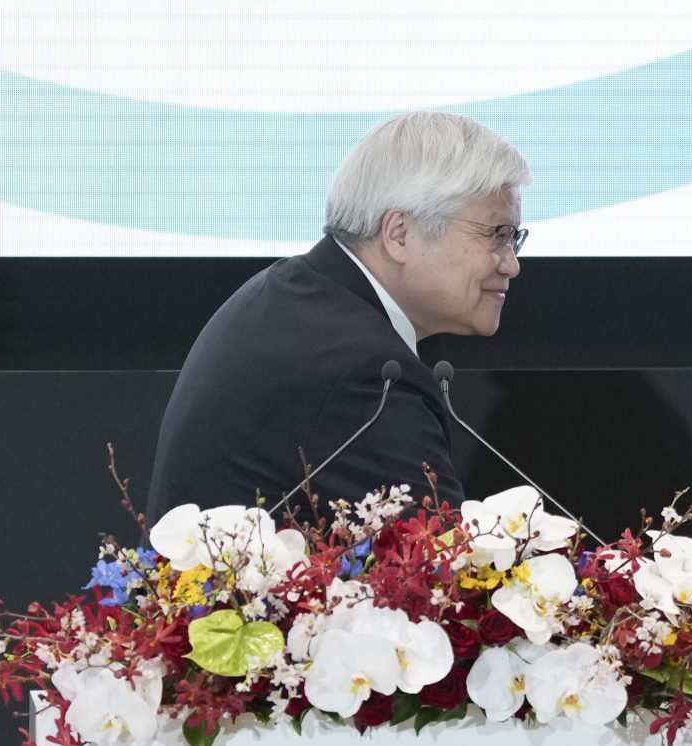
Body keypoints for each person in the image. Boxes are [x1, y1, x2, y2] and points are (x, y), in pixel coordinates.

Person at [146, 112, 530, 523]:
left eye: (515, 239)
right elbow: (442, 573)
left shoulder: (291, 294)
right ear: (399, 232)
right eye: (497, 235)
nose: (511, 265)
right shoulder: (363, 374)